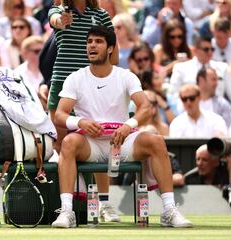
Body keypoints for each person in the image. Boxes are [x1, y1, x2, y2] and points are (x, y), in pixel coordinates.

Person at [51, 25, 192, 228]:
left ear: (110, 48)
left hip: (123, 141)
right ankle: (67, 211)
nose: (92, 45)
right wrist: (80, 122)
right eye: (89, 42)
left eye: (98, 41)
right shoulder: (75, 78)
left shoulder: (126, 76)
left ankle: (168, 210)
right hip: (90, 143)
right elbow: (60, 115)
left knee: (156, 141)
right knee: (69, 142)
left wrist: (128, 126)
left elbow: (145, 108)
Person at [47, 0, 118, 151]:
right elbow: (56, 21)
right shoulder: (57, 11)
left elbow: (114, 56)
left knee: (96, 142)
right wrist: (61, 20)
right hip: (62, 82)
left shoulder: (101, 15)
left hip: (91, 85)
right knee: (59, 144)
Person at [170, 36, 231, 105]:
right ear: (195, 50)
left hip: (217, 110)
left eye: (212, 49)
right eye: (206, 49)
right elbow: (174, 95)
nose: (210, 52)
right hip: (190, 109)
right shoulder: (181, 68)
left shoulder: (222, 68)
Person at [184, 143, 231, 210]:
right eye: (198, 159)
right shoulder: (189, 178)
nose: (199, 164)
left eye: (204, 160)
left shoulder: (226, 174)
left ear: (216, 162)